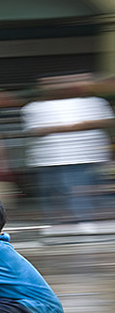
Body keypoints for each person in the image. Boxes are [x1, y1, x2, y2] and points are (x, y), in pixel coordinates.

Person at [22, 72, 114, 234]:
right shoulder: (35, 107)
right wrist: (79, 125)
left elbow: (105, 121)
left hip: (88, 156)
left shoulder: (94, 102)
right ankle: (58, 224)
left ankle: (85, 221)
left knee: (84, 191)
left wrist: (62, 127)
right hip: (50, 159)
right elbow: (37, 130)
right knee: (55, 193)